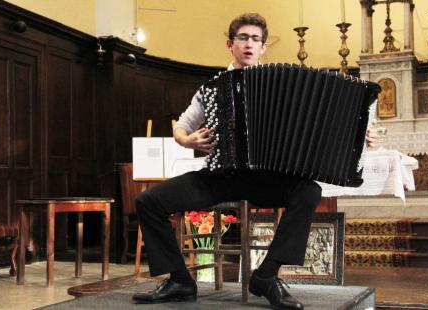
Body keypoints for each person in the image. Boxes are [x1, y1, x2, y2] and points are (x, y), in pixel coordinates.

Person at [132, 13, 378, 310]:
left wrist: (359, 134)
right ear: (230, 44)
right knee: (148, 201)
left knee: (309, 190)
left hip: (266, 178)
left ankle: (266, 275)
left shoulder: (288, 86)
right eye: (243, 38)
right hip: (221, 176)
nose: (249, 44)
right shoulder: (213, 88)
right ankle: (181, 280)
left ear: (263, 47)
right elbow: (181, 126)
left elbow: (324, 122)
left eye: (256, 39)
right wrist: (187, 140)